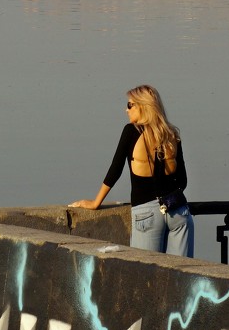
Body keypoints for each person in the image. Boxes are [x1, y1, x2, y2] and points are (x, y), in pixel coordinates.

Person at [69, 85, 194, 257]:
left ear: (143, 106)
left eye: (130, 105)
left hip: (146, 213)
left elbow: (115, 169)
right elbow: (183, 181)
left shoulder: (131, 131)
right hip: (178, 211)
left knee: (146, 275)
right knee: (182, 275)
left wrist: (95, 202)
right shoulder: (171, 134)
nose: (126, 110)